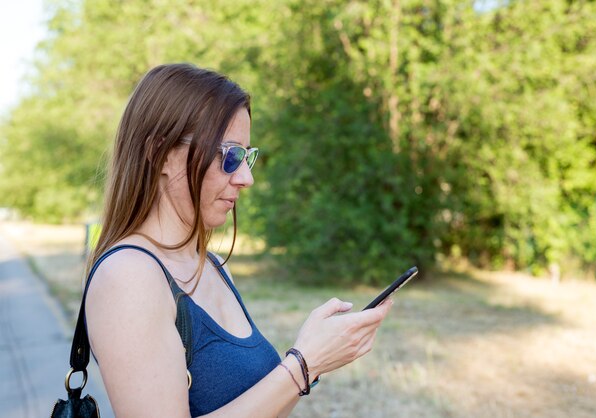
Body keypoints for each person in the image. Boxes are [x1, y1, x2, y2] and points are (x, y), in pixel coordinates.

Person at [84, 63, 393, 418]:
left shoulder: (212, 266)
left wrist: (314, 355)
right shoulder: (129, 276)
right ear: (162, 153)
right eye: (230, 156)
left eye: (247, 156)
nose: (246, 177)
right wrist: (302, 366)